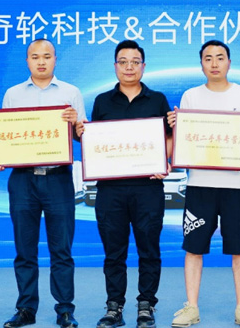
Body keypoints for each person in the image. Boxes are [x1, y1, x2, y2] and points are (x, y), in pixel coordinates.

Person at [75, 40, 172, 328]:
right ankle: (114, 307)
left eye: (135, 62)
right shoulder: (103, 101)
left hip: (147, 188)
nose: (129, 67)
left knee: (149, 249)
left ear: (144, 66)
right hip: (111, 189)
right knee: (113, 252)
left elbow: (168, 138)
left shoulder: (157, 100)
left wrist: (164, 161)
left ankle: (146, 305)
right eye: (123, 62)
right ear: (115, 66)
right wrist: (81, 133)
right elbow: (96, 142)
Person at [169, 40, 240, 328]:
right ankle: (191, 307)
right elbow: (184, 140)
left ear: (229, 62)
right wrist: (176, 126)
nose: (214, 63)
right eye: (208, 58)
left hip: (236, 185)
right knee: (193, 247)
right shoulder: (190, 96)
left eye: (220, 57)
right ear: (201, 64)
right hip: (200, 184)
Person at [0, 39, 86, 328]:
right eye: (35, 57)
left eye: (46, 56)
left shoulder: (71, 92)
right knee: (25, 249)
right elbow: (5, 136)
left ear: (55, 59)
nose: (41, 61)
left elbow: (83, 136)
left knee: (62, 249)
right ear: (27, 61)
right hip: (22, 180)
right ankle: (26, 308)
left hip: (58, 178)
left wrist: (76, 124)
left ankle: (65, 310)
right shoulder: (13, 94)